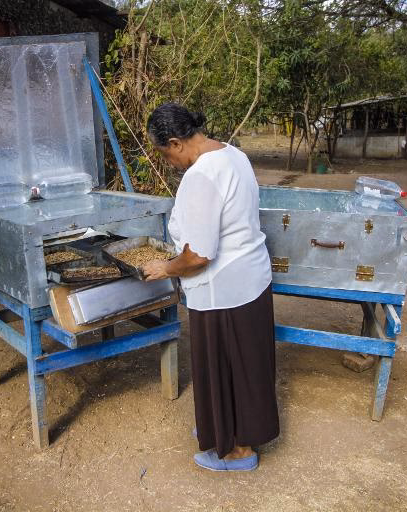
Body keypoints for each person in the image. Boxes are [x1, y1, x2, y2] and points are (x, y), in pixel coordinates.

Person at [142, 103, 279, 472]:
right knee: (245, 365)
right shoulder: (233, 154)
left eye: (165, 153)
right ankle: (229, 430)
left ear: (175, 142)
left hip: (223, 289)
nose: (169, 163)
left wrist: (165, 267)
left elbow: (200, 254)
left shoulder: (201, 175)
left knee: (221, 365)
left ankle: (236, 451)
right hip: (250, 277)